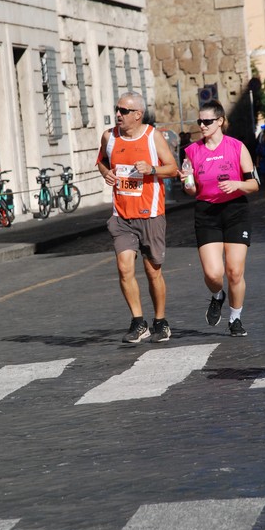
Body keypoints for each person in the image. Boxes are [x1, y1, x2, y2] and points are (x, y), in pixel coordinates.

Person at [97, 91, 178, 344]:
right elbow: (101, 161)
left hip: (150, 214)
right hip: (121, 216)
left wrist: (152, 169)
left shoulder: (152, 136)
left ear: (137, 115)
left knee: (152, 271)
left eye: (123, 110)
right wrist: (106, 173)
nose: (118, 114)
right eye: (117, 109)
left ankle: (161, 321)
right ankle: (138, 321)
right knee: (124, 268)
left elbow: (173, 169)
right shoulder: (109, 136)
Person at [178, 100, 259, 336]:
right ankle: (217, 295)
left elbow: (255, 184)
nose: (202, 126)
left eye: (207, 121)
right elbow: (191, 190)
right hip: (206, 213)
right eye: (199, 122)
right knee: (214, 274)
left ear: (220, 121)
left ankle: (235, 318)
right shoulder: (191, 152)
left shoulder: (236, 147)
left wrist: (237, 184)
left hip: (235, 211)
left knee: (234, 271)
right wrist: (188, 182)